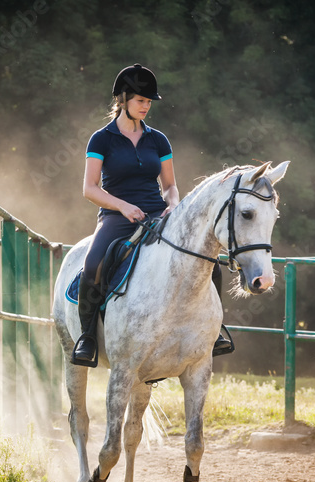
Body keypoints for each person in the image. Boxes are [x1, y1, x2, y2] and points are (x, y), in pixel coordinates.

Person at [72, 64, 233, 367]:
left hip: (159, 213)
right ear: (123, 100)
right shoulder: (101, 139)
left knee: (211, 262)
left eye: (148, 102)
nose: (146, 107)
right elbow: (89, 189)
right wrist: (122, 206)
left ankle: (216, 329)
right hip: (117, 217)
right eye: (140, 101)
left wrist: (173, 205)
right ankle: (88, 336)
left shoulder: (158, 140)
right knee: (93, 264)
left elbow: (170, 186)